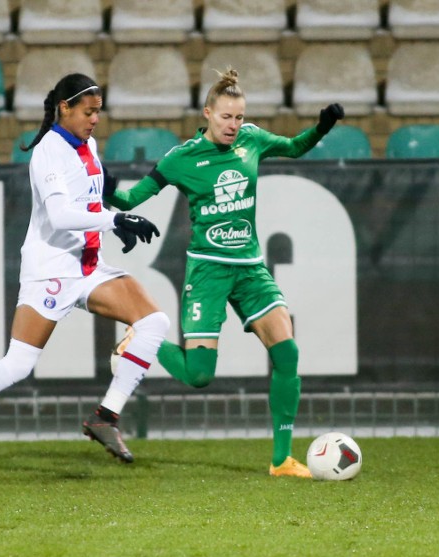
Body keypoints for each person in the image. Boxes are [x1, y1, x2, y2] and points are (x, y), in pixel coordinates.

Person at [0, 73, 170, 479]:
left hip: (86, 266)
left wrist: (111, 212)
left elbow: (88, 196)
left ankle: (105, 416)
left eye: (99, 112)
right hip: (51, 270)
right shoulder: (49, 151)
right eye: (88, 111)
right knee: (18, 364)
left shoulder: (87, 144)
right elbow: (60, 215)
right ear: (64, 108)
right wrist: (115, 218)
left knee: (154, 321)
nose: (95, 119)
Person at [104, 68, 344, 479]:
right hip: (209, 270)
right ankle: (137, 342)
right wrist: (105, 186)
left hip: (250, 267)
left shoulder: (252, 139)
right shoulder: (182, 158)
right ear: (208, 113)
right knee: (199, 375)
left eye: (239, 117)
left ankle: (281, 460)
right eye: (226, 117)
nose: (234, 125)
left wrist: (322, 126)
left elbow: (294, 147)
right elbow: (131, 197)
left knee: (287, 353)